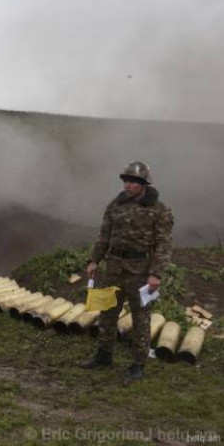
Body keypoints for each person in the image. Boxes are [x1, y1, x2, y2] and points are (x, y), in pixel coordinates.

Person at [80, 161, 174, 381]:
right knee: (107, 313)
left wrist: (156, 274)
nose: (127, 185)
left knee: (141, 318)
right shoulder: (115, 205)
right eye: (126, 180)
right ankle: (104, 355)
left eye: (133, 181)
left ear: (144, 183)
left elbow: (164, 244)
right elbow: (104, 235)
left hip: (140, 271)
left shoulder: (159, 210)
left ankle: (138, 364)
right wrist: (94, 260)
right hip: (113, 267)